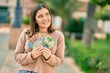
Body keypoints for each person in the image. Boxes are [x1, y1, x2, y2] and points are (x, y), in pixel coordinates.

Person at [14, 3, 65, 73]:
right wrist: (31, 55)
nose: (45, 18)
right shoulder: (26, 33)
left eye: (47, 14)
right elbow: (17, 56)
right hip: (26, 71)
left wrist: (49, 57)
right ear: (35, 20)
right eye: (40, 16)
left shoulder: (59, 36)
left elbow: (60, 60)